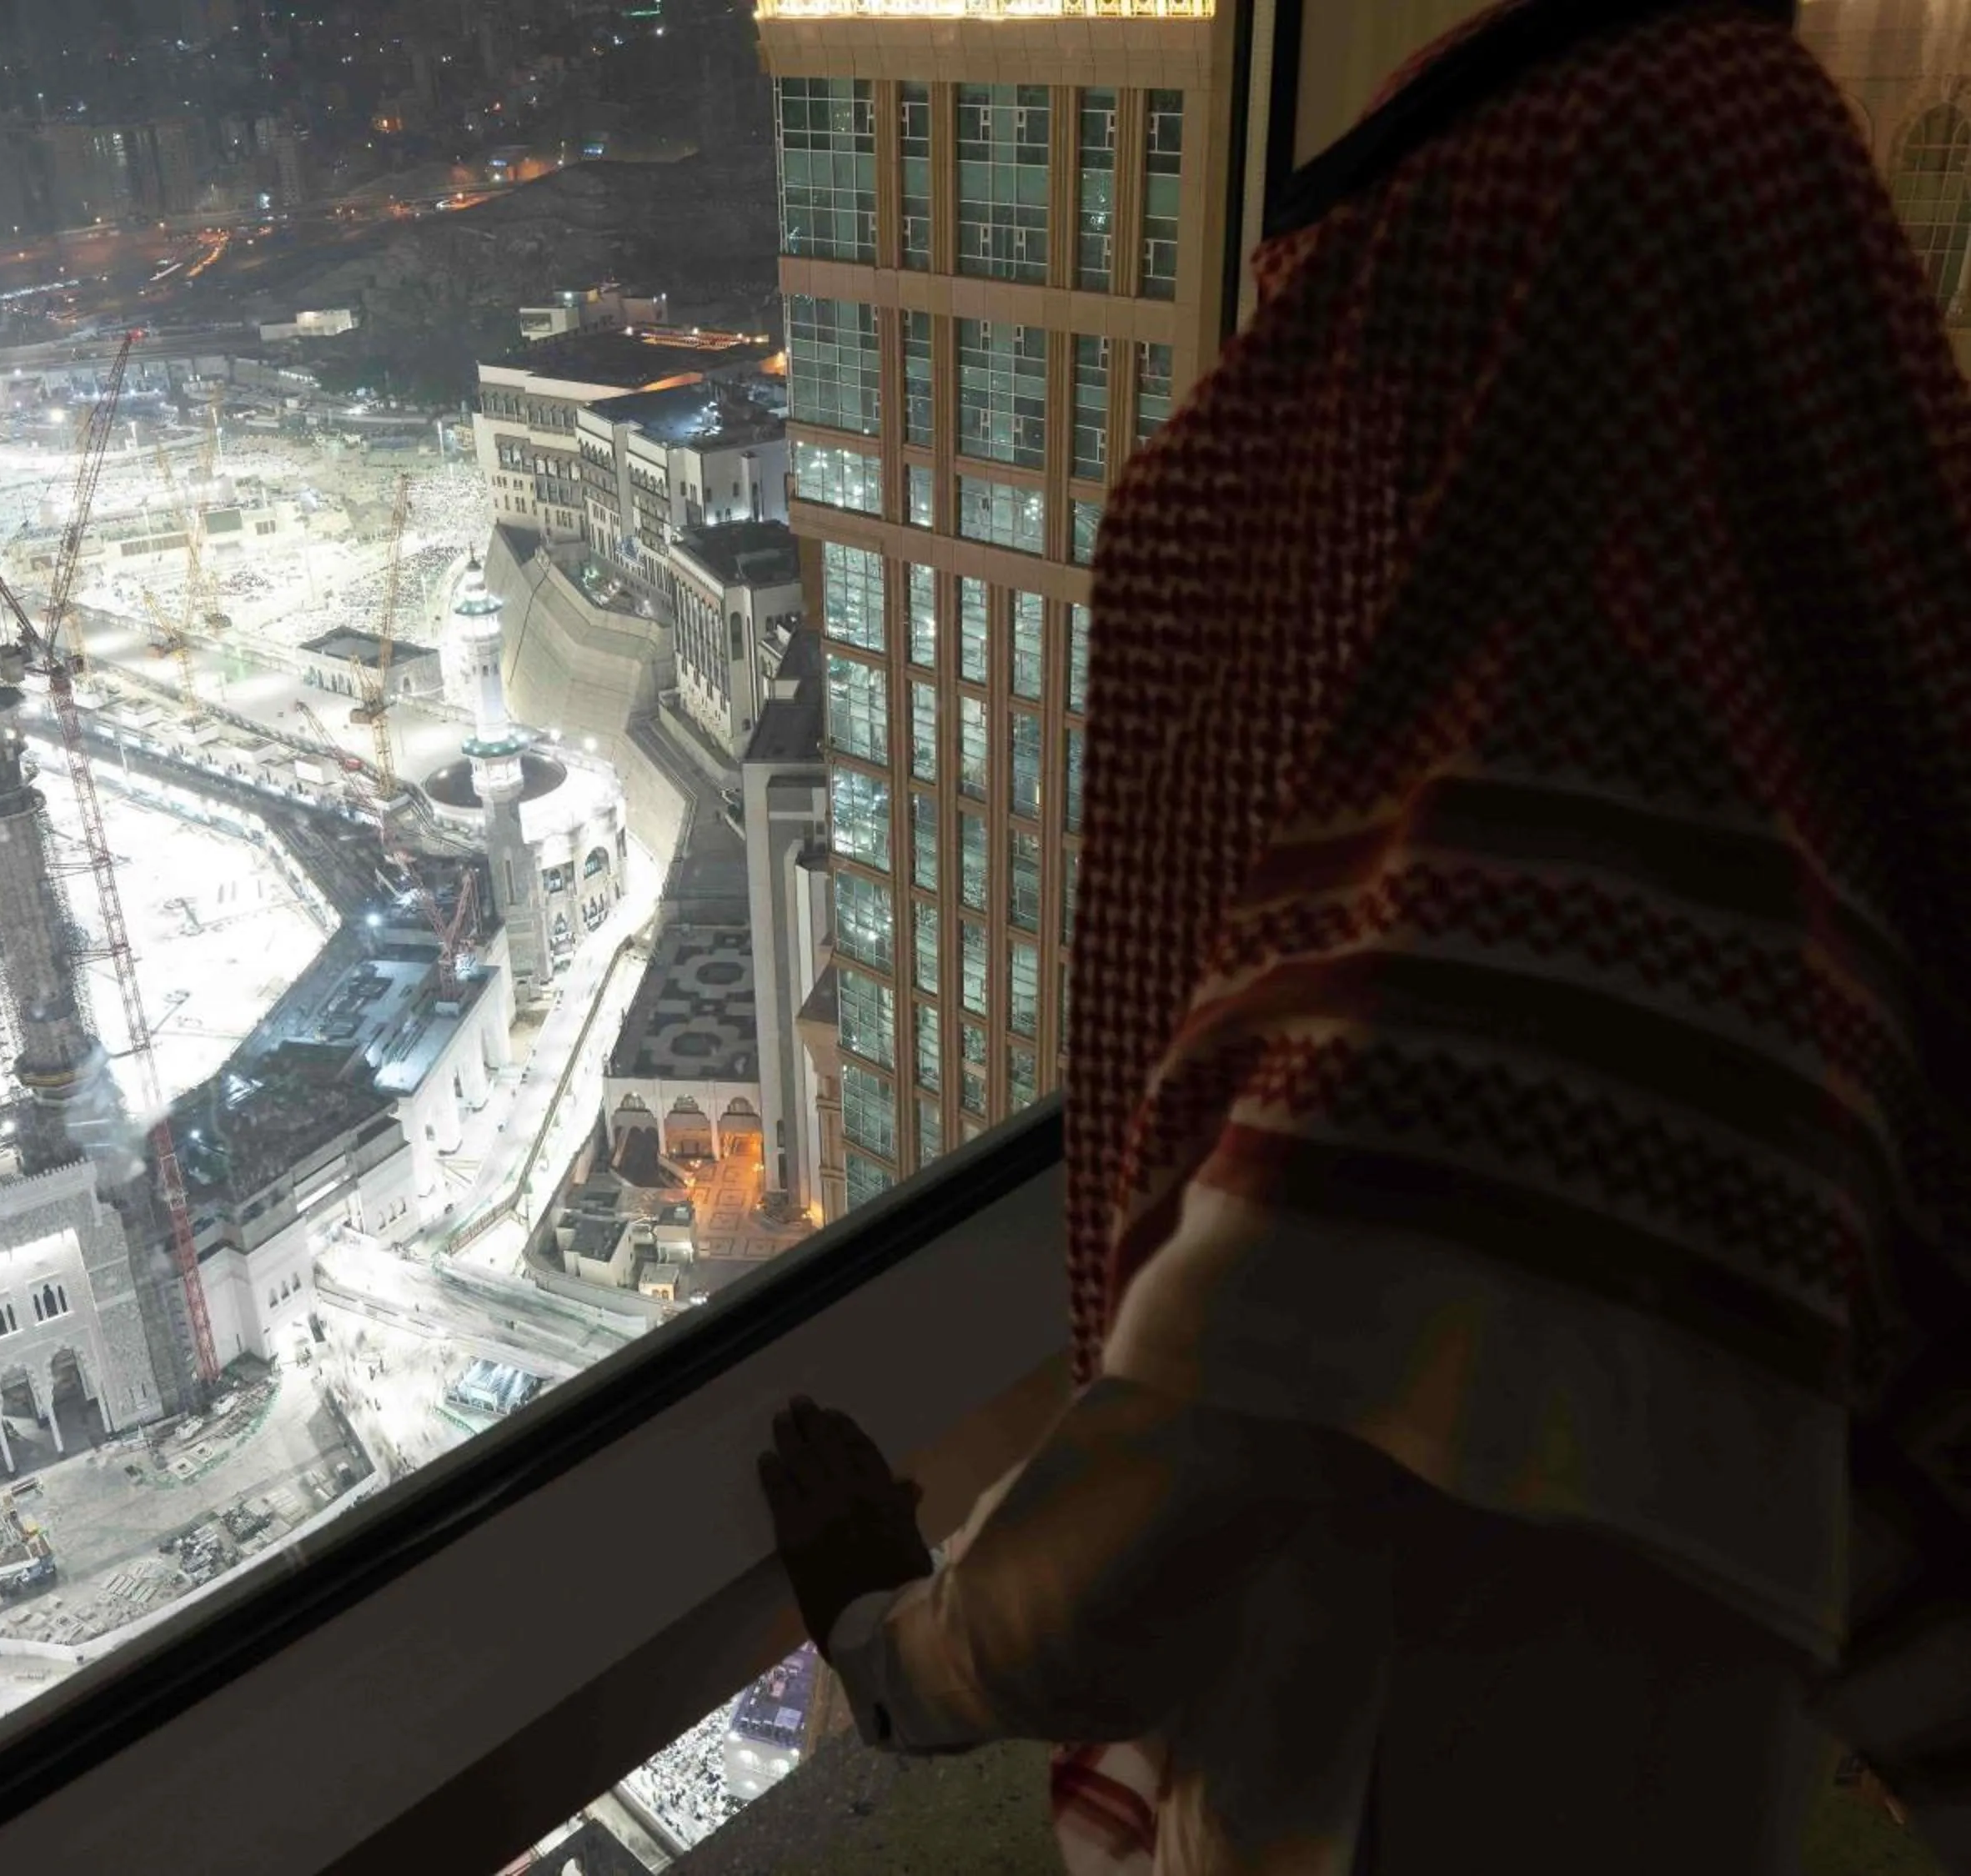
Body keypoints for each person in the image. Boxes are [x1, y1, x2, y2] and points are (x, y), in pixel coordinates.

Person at [757, 2, 1971, 1872]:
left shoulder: (1525, 933)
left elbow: (1158, 1532)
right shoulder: (1809, 849)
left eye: (1319, 330)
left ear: (1467, 362)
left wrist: (882, 1638)